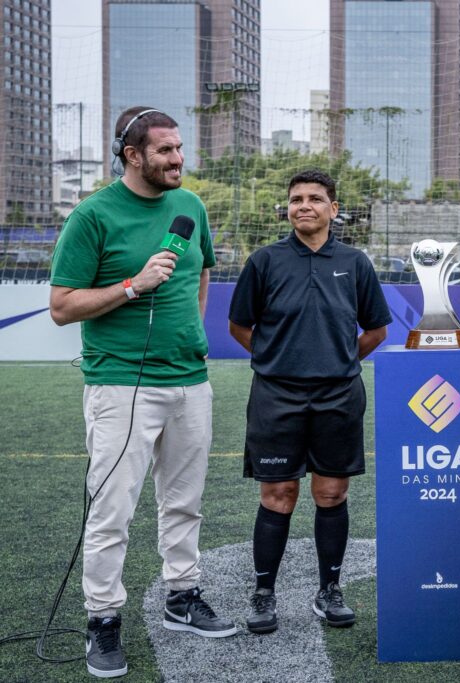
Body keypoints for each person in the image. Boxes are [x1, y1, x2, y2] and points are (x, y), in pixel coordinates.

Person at [49, 106, 235, 679]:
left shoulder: (191, 206)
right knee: (112, 512)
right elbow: (61, 307)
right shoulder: (92, 215)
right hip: (121, 386)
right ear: (132, 156)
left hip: (189, 381)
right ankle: (102, 620)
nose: (178, 160)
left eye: (180, 149)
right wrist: (132, 286)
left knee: (184, 502)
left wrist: (194, 332)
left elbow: (200, 269)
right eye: (165, 152)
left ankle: (182, 596)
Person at [228, 169, 391, 635]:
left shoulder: (355, 262)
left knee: (331, 493)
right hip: (276, 396)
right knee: (278, 495)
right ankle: (263, 594)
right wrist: (277, 359)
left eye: (315, 199)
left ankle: (329, 591)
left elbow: (376, 329)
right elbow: (240, 326)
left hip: (339, 396)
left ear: (333, 209)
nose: (304, 205)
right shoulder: (264, 260)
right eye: (296, 198)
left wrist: (339, 360)